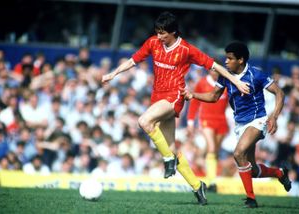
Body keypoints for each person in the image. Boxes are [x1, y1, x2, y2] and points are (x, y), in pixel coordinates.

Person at [102, 12, 249, 205]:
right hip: (157, 97)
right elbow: (133, 60)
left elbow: (215, 67)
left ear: (172, 32)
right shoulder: (153, 42)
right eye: (157, 32)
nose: (159, 36)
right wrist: (113, 73)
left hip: (175, 96)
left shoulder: (186, 49)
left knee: (144, 121)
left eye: (163, 33)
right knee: (171, 147)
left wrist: (236, 82)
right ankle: (197, 186)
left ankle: (167, 160)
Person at [181, 41, 292, 208]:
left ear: (240, 60)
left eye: (229, 58)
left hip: (257, 120)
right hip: (240, 124)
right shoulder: (226, 76)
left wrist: (274, 116)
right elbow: (213, 97)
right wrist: (193, 95)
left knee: (238, 153)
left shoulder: (257, 75)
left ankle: (251, 199)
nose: (225, 61)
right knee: (252, 170)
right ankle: (280, 173)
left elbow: (280, 93)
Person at [187, 68, 229, 184]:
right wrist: (190, 122)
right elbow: (194, 102)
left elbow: (231, 102)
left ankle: (211, 171)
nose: (214, 73)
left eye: (216, 71)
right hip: (206, 119)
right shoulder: (202, 83)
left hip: (221, 120)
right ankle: (212, 180)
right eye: (212, 71)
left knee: (215, 150)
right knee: (211, 147)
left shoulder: (226, 83)